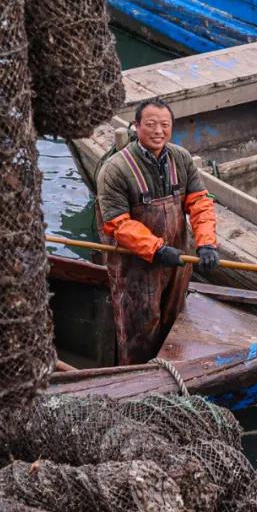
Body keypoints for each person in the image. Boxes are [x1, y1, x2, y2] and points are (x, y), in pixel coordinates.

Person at [95, 100, 219, 365]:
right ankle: (135, 380)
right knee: (139, 329)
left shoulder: (181, 158)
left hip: (178, 261)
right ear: (136, 126)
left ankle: (172, 372)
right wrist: (156, 249)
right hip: (136, 267)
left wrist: (207, 244)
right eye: (150, 124)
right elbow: (117, 223)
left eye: (165, 125)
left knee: (174, 321)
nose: (158, 131)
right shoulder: (115, 169)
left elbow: (199, 202)